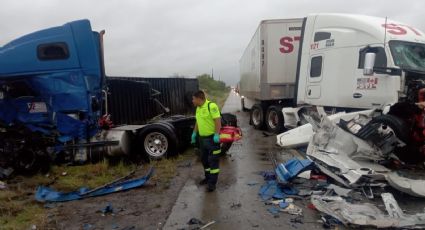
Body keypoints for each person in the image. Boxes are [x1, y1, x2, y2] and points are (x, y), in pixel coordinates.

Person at [191, 90, 221, 192]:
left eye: (193, 99)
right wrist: (194, 133)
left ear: (199, 98)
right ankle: (208, 178)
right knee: (204, 160)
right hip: (202, 139)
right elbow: (198, 122)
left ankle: (212, 184)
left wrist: (216, 134)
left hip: (212, 139)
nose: (192, 101)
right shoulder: (198, 109)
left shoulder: (211, 106)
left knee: (213, 162)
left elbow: (218, 121)